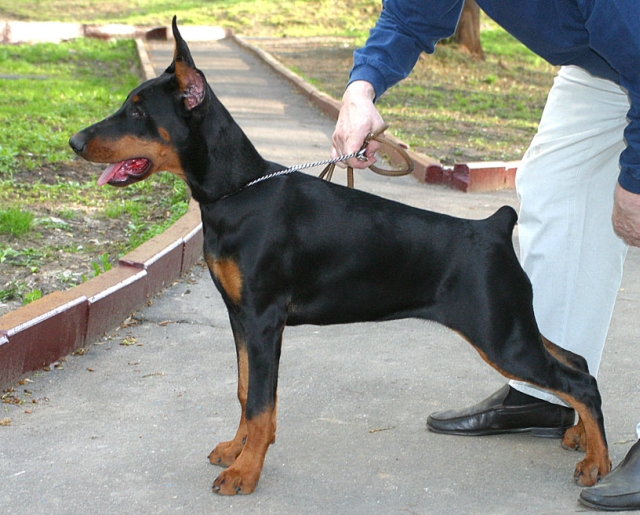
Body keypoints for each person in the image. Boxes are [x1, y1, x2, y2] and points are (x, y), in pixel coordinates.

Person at [330, 0, 640, 510]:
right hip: (606, 60)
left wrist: (636, 181)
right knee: (556, 187)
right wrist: (361, 89)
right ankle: (546, 388)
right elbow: (411, 12)